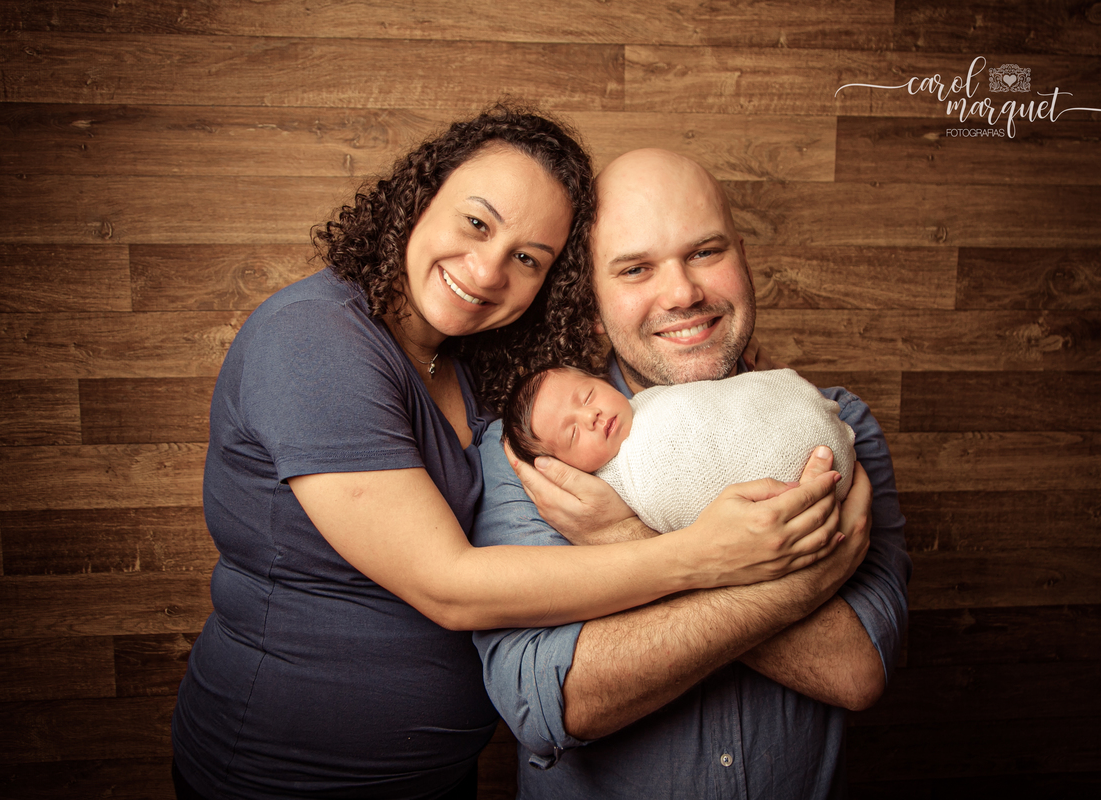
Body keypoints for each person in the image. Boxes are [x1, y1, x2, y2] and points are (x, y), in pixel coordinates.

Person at [170, 111, 850, 800]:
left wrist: (744, 411)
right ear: (419, 196)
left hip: (436, 776)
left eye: (529, 258)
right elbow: (448, 584)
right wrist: (700, 555)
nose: (489, 268)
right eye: (476, 223)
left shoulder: (470, 365)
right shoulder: (313, 340)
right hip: (281, 776)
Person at [472, 148, 912, 798]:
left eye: (705, 252)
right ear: (591, 304)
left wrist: (625, 539)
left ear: (744, 261)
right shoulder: (542, 454)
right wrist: (788, 588)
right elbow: (552, 707)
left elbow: (854, 670)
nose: (682, 293)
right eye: (635, 268)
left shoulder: (836, 425)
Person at [502, 365, 856, 532]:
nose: (591, 415)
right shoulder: (612, 488)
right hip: (798, 487)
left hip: (793, 416)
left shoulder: (649, 399)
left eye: (588, 395)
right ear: (564, 468)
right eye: (573, 434)